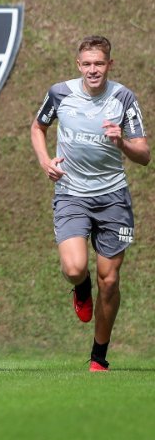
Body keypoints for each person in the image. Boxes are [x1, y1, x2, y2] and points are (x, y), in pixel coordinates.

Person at [30, 36, 149, 372]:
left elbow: (144, 155)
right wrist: (44, 162)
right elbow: (38, 128)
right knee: (74, 268)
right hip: (71, 193)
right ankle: (80, 289)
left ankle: (99, 355)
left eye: (99, 64)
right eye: (87, 64)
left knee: (109, 281)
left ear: (109, 65)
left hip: (113, 197)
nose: (93, 70)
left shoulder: (123, 98)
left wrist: (121, 142)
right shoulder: (60, 93)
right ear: (78, 65)